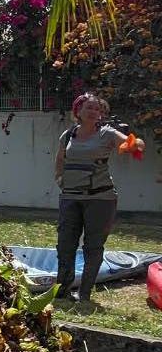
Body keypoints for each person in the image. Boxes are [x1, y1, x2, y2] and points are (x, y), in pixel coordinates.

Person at [54, 93, 145, 302]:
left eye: (97, 109)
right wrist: (59, 178)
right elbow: (60, 159)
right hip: (70, 197)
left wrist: (134, 144)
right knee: (65, 244)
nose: (94, 112)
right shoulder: (68, 135)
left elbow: (133, 143)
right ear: (78, 111)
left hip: (100, 198)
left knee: (93, 246)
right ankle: (62, 290)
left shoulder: (107, 133)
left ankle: (84, 293)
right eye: (89, 107)